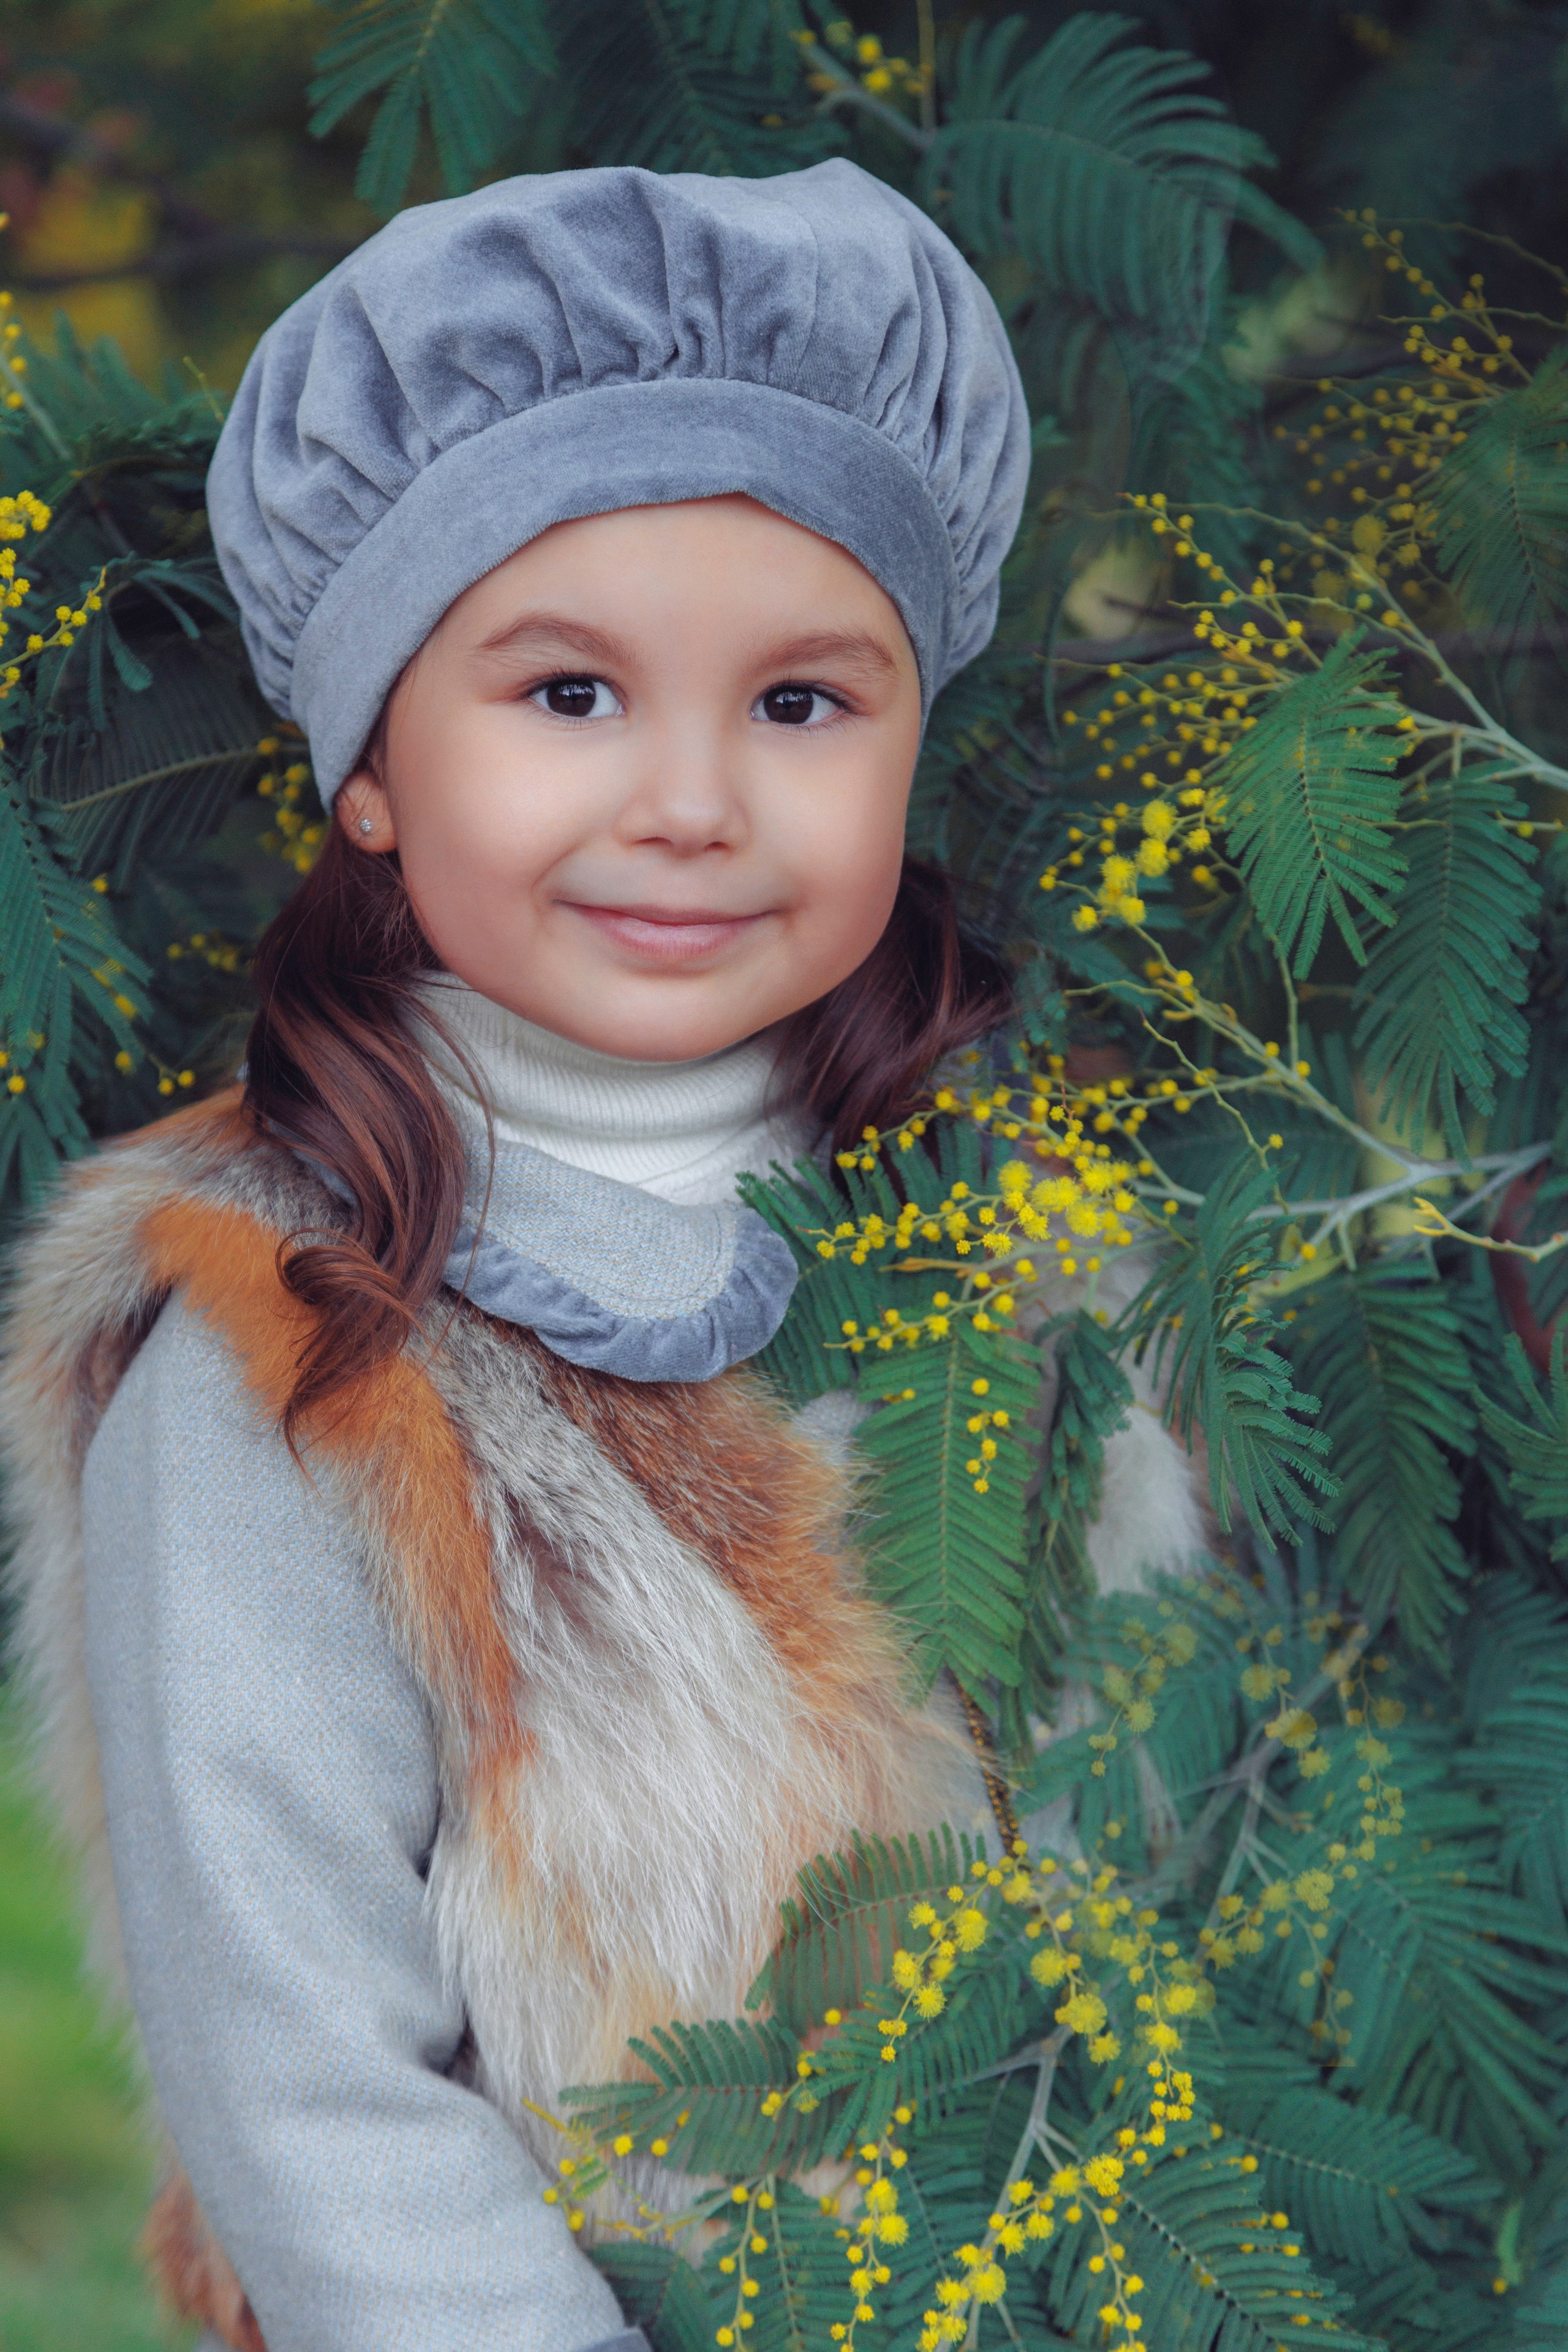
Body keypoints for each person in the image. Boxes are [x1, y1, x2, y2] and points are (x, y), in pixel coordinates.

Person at [0, 162, 1204, 2351]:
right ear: (371, 766)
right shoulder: (292, 1356)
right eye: (568, 696)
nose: (692, 799)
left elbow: (1175, 1822)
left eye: (803, 704)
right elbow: (313, 2088)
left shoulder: (1022, 1266)